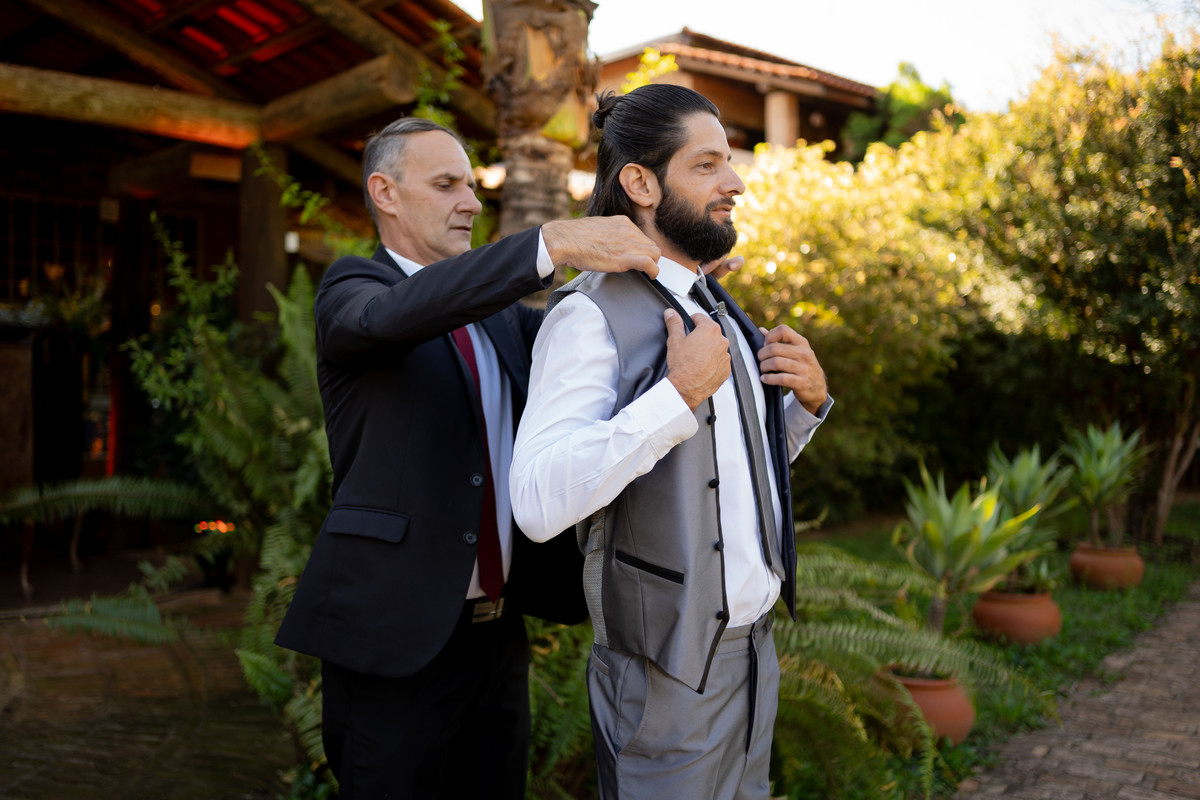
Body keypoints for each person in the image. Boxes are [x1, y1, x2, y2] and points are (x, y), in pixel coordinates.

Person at [273, 115, 664, 800]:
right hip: (394, 639)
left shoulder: (502, 316)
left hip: (498, 639)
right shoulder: (353, 290)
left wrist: (677, 276)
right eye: (447, 184)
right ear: (386, 193)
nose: (472, 202)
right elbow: (396, 317)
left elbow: (600, 348)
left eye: (472, 185)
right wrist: (551, 241)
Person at [509, 84, 833, 800]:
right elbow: (534, 501)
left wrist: (805, 409)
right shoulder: (587, 319)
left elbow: (726, 473)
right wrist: (675, 397)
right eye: (708, 165)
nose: (736, 182)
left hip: (755, 656)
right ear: (640, 182)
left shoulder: (716, 304)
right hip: (662, 678)